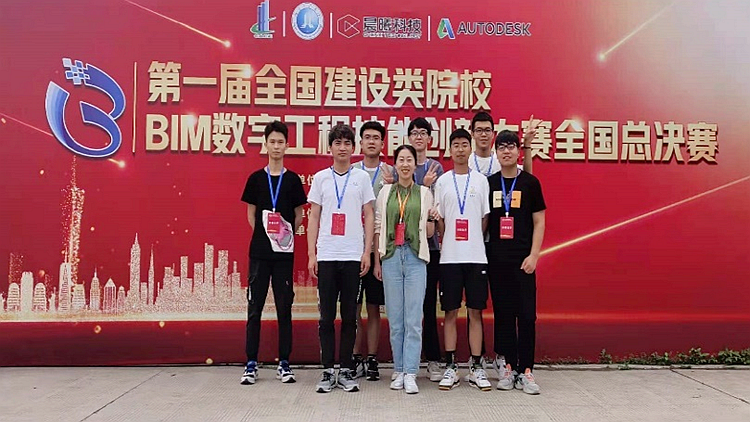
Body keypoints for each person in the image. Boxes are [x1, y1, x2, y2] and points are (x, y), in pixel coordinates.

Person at [466, 111, 539, 371]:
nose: (483, 134)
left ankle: (507, 359)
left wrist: (527, 145)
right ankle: (480, 357)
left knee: (517, 308)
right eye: (479, 130)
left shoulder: (504, 166)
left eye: (488, 130)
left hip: (510, 247)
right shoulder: (468, 161)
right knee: (484, 304)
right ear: (472, 133)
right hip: (482, 246)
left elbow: (525, 183)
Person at [307, 123, 375, 393]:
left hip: (352, 256)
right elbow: (313, 216)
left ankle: (346, 369)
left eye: (347, 143)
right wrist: (312, 254)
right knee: (326, 317)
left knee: (349, 316)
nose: (343, 148)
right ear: (330, 148)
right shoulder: (321, 178)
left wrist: (366, 251)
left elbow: (369, 214)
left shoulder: (361, 178)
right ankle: (327, 370)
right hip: (326, 255)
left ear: (353, 147)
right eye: (338, 143)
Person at [240, 121, 308, 385]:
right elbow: (251, 215)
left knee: (284, 308)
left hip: (283, 256)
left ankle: (284, 363)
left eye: (281, 142)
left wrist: (282, 237)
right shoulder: (256, 179)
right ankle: (251, 364)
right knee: (254, 309)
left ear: (287, 145)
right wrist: (266, 235)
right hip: (259, 253)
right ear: (265, 145)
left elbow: (299, 216)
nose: (277, 146)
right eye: (272, 142)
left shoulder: (292, 181)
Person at [487, 130, 546, 394]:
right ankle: (509, 368)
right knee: (504, 315)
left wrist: (534, 255)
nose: (506, 151)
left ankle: (527, 370)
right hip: (497, 261)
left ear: (518, 151)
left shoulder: (530, 183)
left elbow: (539, 221)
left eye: (511, 146)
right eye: (502, 147)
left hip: (524, 261)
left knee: (527, 316)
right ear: (496, 152)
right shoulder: (489, 183)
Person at [373, 144, 435, 394]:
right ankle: (398, 369)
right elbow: (378, 226)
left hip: (415, 257)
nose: (405, 164)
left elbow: (429, 232)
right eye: (401, 160)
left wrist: (432, 217)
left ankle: (411, 371)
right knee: (396, 318)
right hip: (390, 256)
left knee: (413, 319)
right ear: (395, 165)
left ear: (414, 165)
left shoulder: (425, 193)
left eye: (409, 160)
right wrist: (377, 260)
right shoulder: (385, 192)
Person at [433, 128, 492, 391]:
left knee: (475, 311)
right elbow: (440, 221)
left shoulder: (481, 181)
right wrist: (451, 240)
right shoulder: (442, 182)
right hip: (449, 258)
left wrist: (472, 240)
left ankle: (476, 367)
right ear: (450, 150)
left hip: (476, 257)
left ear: (470, 148)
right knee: (450, 312)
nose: (459, 149)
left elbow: (485, 218)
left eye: (463, 144)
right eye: (455, 144)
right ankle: (451, 366)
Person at [351, 121, 394, 381]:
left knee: (375, 306)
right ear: (361, 142)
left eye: (376, 137)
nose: (371, 141)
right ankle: (356, 357)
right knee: (354, 307)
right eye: (367, 137)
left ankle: (373, 358)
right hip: (353, 247)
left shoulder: (391, 172)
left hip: (380, 249)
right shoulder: (352, 171)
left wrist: (393, 185)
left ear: (382, 143)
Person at [406, 117, 445, 382]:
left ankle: (432, 360)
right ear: (408, 137)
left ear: (429, 139)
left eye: (423, 133)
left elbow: (436, 204)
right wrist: (424, 186)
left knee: (429, 306)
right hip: (406, 246)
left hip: (430, 248)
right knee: (407, 308)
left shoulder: (436, 167)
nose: (418, 136)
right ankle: (406, 361)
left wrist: (429, 185)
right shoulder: (403, 164)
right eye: (414, 132)